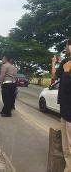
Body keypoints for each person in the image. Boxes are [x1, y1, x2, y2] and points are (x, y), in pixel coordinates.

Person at [53, 39, 71, 172]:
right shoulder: (67, 60)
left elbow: (66, 87)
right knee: (66, 147)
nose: (66, 48)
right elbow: (55, 76)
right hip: (65, 110)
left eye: (67, 45)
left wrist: (66, 72)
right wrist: (54, 63)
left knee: (69, 145)